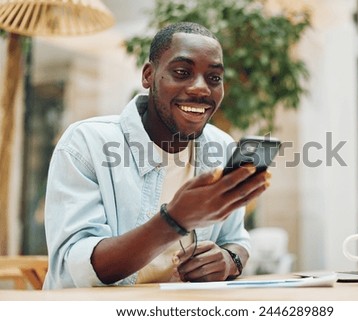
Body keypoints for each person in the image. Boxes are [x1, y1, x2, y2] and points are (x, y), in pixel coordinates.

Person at [43, 22, 272, 289]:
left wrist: (229, 259)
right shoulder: (86, 144)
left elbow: (237, 240)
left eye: (214, 78)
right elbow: (78, 268)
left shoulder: (221, 147)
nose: (201, 88)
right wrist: (174, 221)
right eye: (182, 72)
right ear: (148, 76)